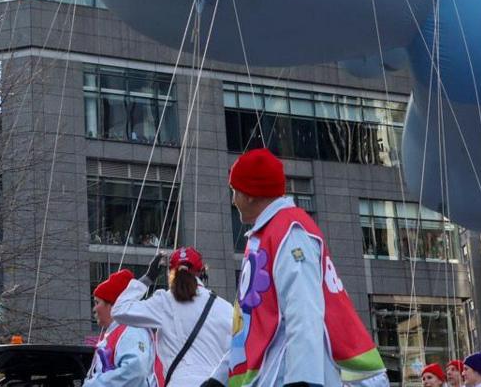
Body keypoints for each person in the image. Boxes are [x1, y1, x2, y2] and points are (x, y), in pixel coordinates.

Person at [229, 146, 385, 386]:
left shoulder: (289, 231)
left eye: (235, 191)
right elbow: (248, 325)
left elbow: (304, 309)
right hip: (278, 370)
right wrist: (219, 377)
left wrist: (302, 379)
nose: (233, 200)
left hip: (286, 371)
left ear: (250, 194)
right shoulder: (271, 233)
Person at [117, 246, 236, 387]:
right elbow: (238, 353)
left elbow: (120, 310)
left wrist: (148, 278)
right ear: (202, 272)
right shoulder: (225, 308)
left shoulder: (164, 302)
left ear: (170, 273)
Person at [88, 270, 163, 387]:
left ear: (112, 304)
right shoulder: (120, 330)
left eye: (97, 302)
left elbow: (135, 372)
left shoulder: (132, 329)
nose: (94, 309)